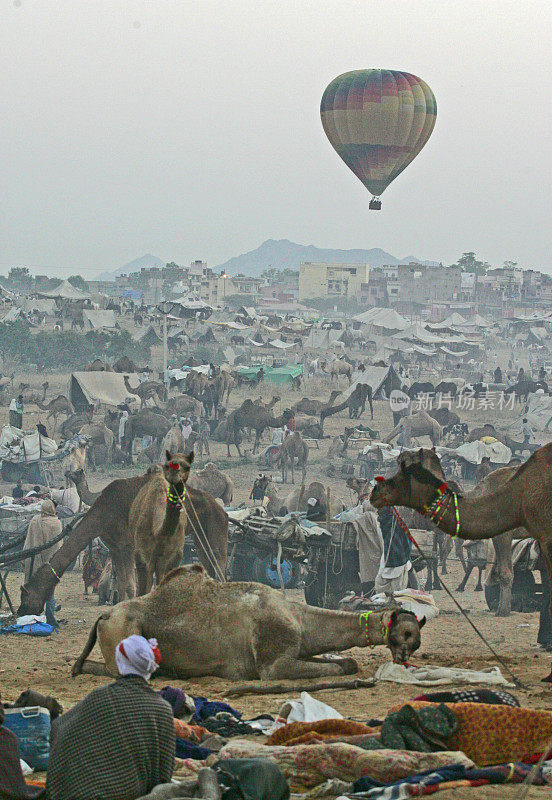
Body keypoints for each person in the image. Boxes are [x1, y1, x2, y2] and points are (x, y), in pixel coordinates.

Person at [46, 635, 175, 800]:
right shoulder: (162, 709)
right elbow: (163, 776)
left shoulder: (99, 697)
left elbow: (58, 726)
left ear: (120, 663)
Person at [23, 500, 62, 626]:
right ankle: (50, 617)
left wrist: (25, 557)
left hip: (33, 561)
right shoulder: (56, 523)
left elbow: (28, 541)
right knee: (49, 590)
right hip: (49, 564)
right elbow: (58, 546)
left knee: (32, 589)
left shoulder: (35, 520)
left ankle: (32, 616)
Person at [374, 505, 412, 593]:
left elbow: (407, 541)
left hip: (395, 559)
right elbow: (408, 541)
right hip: (393, 557)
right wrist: (407, 557)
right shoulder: (391, 522)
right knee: (396, 590)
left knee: (383, 587)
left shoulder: (390, 523)